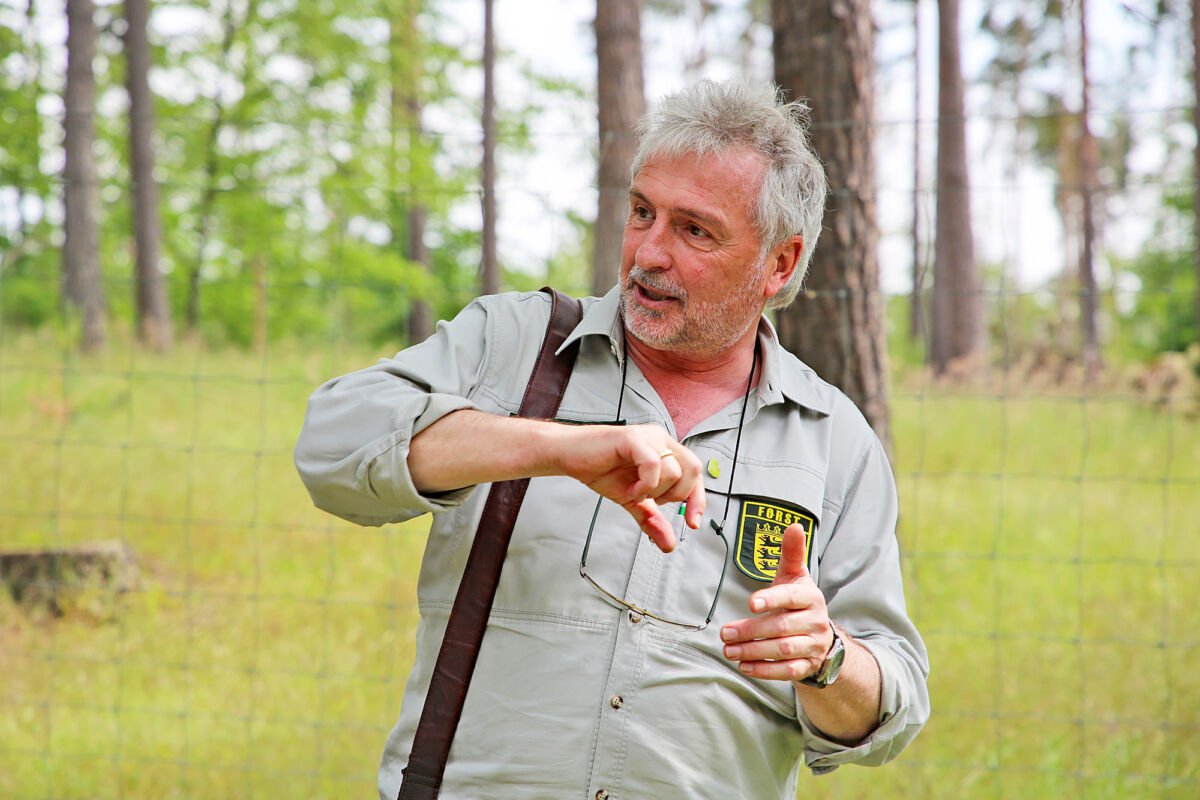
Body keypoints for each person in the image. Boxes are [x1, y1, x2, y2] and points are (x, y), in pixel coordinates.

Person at [295, 78, 929, 800]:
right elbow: (331, 442)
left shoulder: (834, 440)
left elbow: (893, 702)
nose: (648, 253)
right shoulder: (514, 344)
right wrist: (555, 447)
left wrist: (825, 658)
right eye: (641, 213)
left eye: (694, 230)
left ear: (778, 265)